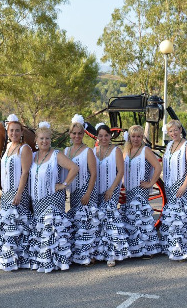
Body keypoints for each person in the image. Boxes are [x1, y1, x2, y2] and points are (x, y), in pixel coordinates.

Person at [28, 121, 79, 273]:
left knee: (53, 231)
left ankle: (58, 261)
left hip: (53, 200)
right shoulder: (32, 156)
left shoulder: (56, 155)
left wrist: (64, 184)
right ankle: (44, 261)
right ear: (36, 140)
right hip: (37, 201)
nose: (45, 141)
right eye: (42, 138)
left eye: (47, 139)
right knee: (41, 231)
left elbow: (74, 168)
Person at [0, 114, 33, 271]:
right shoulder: (7, 148)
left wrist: (19, 193)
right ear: (7, 132)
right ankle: (7, 257)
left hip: (18, 193)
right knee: (7, 225)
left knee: (17, 225)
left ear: (22, 133)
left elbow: (25, 173)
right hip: (6, 193)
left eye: (17, 130)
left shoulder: (24, 148)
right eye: (11, 130)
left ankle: (19, 259)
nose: (14, 133)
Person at [120, 125, 162, 259]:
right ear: (129, 137)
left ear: (142, 137)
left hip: (141, 189)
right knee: (132, 217)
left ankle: (147, 249)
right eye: (133, 136)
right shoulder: (126, 151)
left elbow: (158, 167)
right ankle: (135, 249)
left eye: (139, 136)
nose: (136, 139)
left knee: (140, 217)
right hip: (129, 188)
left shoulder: (146, 150)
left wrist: (150, 183)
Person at [159, 120, 187, 261]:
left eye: (176, 130)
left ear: (180, 130)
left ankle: (182, 249)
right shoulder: (169, 145)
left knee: (180, 215)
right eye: (170, 131)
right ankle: (172, 247)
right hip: (170, 185)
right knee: (172, 215)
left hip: (183, 184)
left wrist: (184, 185)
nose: (173, 133)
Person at [93, 123, 131, 267]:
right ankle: (98, 253)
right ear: (97, 137)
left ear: (110, 136)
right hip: (96, 190)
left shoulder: (116, 151)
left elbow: (120, 172)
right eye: (101, 136)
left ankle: (112, 254)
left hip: (111, 189)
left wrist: (111, 189)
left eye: (106, 135)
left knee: (109, 218)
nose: (104, 138)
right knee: (98, 220)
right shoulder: (93, 151)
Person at [64, 114, 99, 266]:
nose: (77, 136)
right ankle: (79, 254)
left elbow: (94, 174)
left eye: (79, 133)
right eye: (74, 133)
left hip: (86, 192)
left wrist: (88, 193)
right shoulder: (66, 151)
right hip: (74, 192)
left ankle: (90, 255)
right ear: (70, 134)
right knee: (77, 224)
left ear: (83, 134)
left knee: (87, 224)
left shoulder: (88, 151)